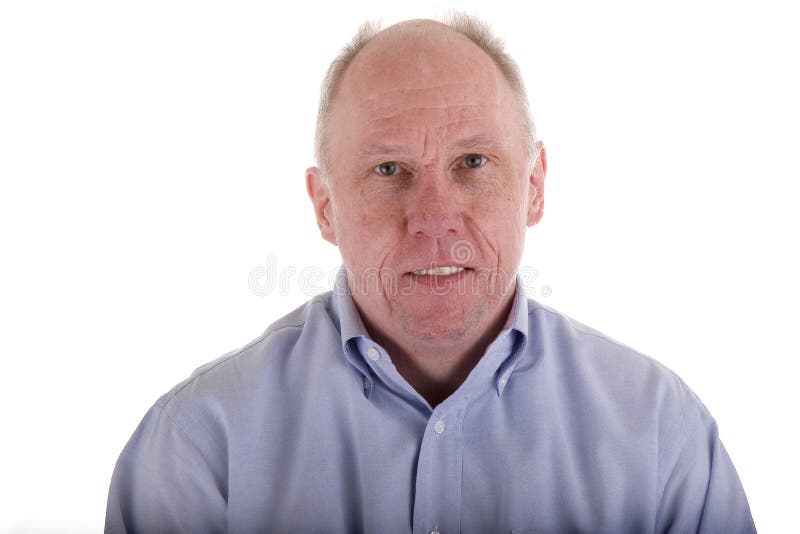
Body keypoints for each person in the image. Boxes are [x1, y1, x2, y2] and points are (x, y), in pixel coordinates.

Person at [105, 14, 756, 533]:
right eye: (389, 171)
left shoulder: (661, 435)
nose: (435, 220)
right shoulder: (197, 449)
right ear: (324, 206)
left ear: (534, 187)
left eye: (472, 161)